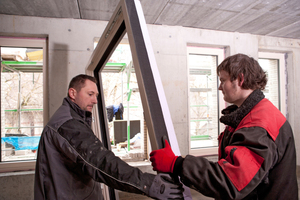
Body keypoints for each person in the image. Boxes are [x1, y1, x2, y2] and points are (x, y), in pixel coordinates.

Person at [150, 54, 298, 200]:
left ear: (240, 79)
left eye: (223, 80)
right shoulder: (252, 114)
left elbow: (231, 181)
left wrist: (177, 164)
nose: (220, 87)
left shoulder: (258, 125)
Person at [34, 74, 183, 200]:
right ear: (73, 93)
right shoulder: (69, 125)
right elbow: (102, 162)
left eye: (96, 95)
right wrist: (148, 184)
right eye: (90, 94)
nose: (95, 101)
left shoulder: (71, 119)